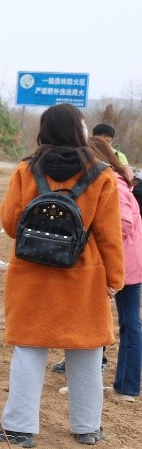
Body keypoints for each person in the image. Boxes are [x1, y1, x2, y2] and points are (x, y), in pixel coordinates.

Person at [0, 103, 123, 448]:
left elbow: (9, 223)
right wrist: (115, 280)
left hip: (31, 271)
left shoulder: (25, 169)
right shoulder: (102, 173)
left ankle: (19, 426)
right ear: (80, 131)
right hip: (84, 273)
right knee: (87, 349)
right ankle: (87, 426)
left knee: (29, 348)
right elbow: (109, 234)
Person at [88, 139, 141, 402]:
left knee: (126, 324)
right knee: (129, 323)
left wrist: (94, 242)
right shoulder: (118, 178)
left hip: (122, 263)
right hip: (129, 261)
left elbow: (123, 223)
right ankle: (126, 384)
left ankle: (126, 384)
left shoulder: (113, 183)